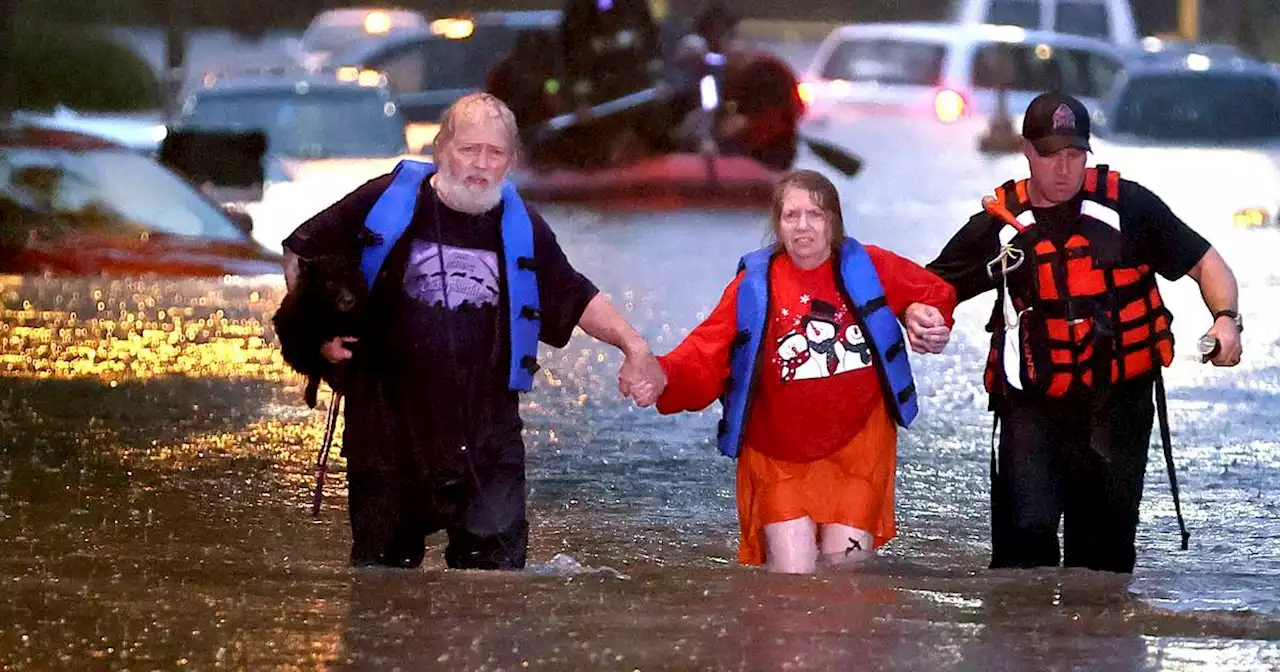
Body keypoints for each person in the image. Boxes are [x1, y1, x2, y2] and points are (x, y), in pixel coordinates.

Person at [279, 93, 664, 570]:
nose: (481, 165)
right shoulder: (385, 200)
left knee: (495, 591)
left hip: (487, 439)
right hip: (387, 434)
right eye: (469, 149)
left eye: (495, 153)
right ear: (441, 149)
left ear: (511, 161)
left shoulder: (522, 227)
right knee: (381, 591)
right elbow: (301, 251)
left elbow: (576, 295)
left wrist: (635, 345)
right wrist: (318, 339)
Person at [918, 91, 1243, 574]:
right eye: (1050, 155)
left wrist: (1226, 319)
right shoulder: (1000, 224)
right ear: (1027, 152)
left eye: (1074, 154)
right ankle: (1027, 647)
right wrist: (922, 317)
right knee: (1023, 548)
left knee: (1101, 561)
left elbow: (1207, 264)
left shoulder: (1129, 206)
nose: (1063, 169)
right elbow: (931, 289)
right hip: (1031, 401)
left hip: (1117, 404)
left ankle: (1096, 647)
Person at [634, 169, 957, 574]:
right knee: (792, 585)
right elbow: (705, 352)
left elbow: (934, 292)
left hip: (858, 452)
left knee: (845, 585)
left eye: (815, 215)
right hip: (777, 457)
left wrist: (920, 314)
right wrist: (662, 375)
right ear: (777, 224)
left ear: (834, 222)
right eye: (791, 216)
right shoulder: (753, 285)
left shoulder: (872, 266)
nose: (803, 226)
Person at [668, 2, 804, 170]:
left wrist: (735, 128)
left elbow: (791, 111)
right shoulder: (727, 73)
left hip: (764, 161)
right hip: (757, 158)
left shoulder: (760, 69)